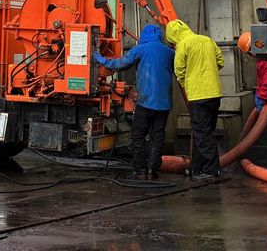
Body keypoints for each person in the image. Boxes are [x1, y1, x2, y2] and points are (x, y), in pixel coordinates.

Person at [92, 23, 175, 180]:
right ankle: (152, 170)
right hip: (164, 103)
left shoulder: (140, 49)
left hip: (146, 102)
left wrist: (100, 59)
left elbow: (120, 64)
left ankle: (140, 170)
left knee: (138, 135)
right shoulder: (169, 52)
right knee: (157, 136)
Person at [166, 19, 224, 180]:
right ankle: (198, 168)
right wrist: (209, 73)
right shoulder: (207, 40)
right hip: (214, 93)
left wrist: (188, 83)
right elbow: (220, 61)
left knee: (202, 134)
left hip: (198, 96)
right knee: (205, 132)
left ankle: (212, 170)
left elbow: (179, 71)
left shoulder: (183, 45)